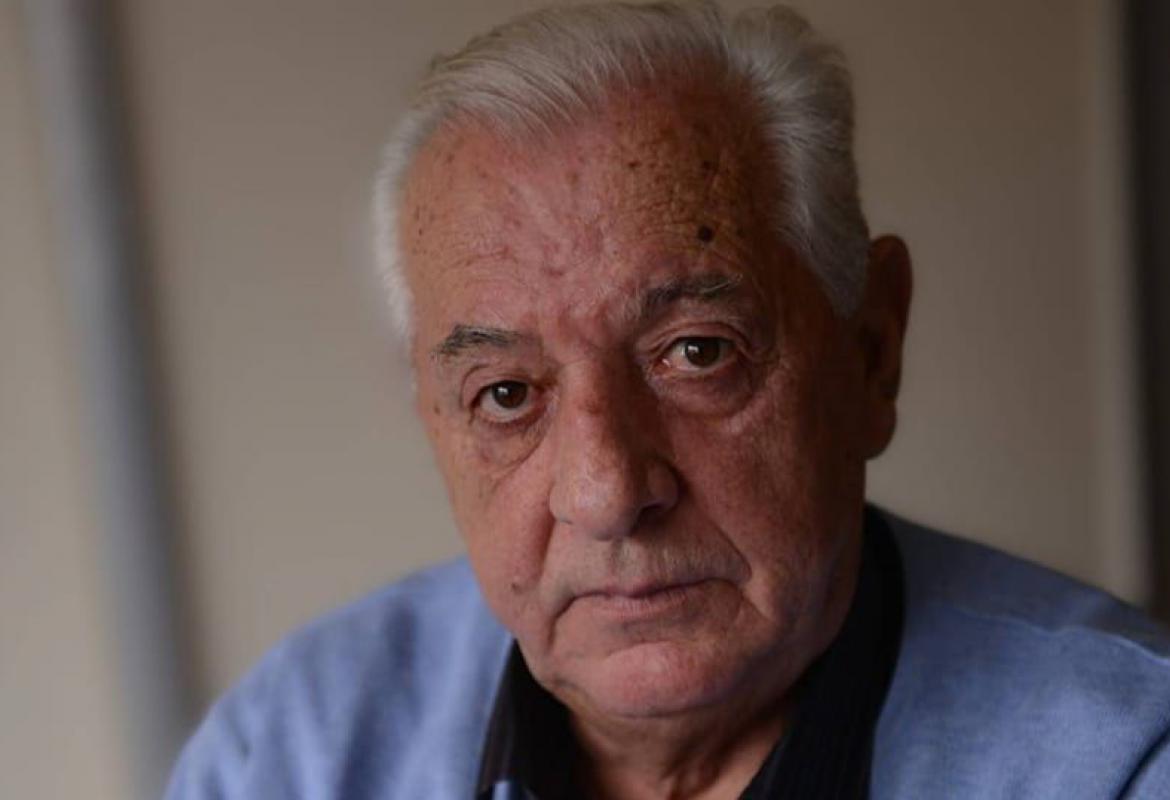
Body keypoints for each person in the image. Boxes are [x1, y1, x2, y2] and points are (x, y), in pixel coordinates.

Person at [165, 2, 1170, 798]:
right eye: (506, 393)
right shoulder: (289, 757)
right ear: (434, 416)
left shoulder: (1123, 760)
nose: (606, 493)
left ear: (872, 351)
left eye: (696, 352)